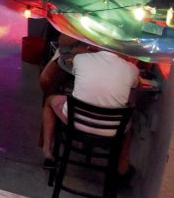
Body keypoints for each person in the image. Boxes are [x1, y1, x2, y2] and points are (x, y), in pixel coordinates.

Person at [41, 48, 139, 177]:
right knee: (128, 126)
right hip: (111, 131)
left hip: (75, 121)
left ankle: (48, 151)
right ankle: (121, 169)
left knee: (49, 101)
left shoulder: (82, 59)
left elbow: (76, 73)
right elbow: (135, 85)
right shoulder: (131, 69)